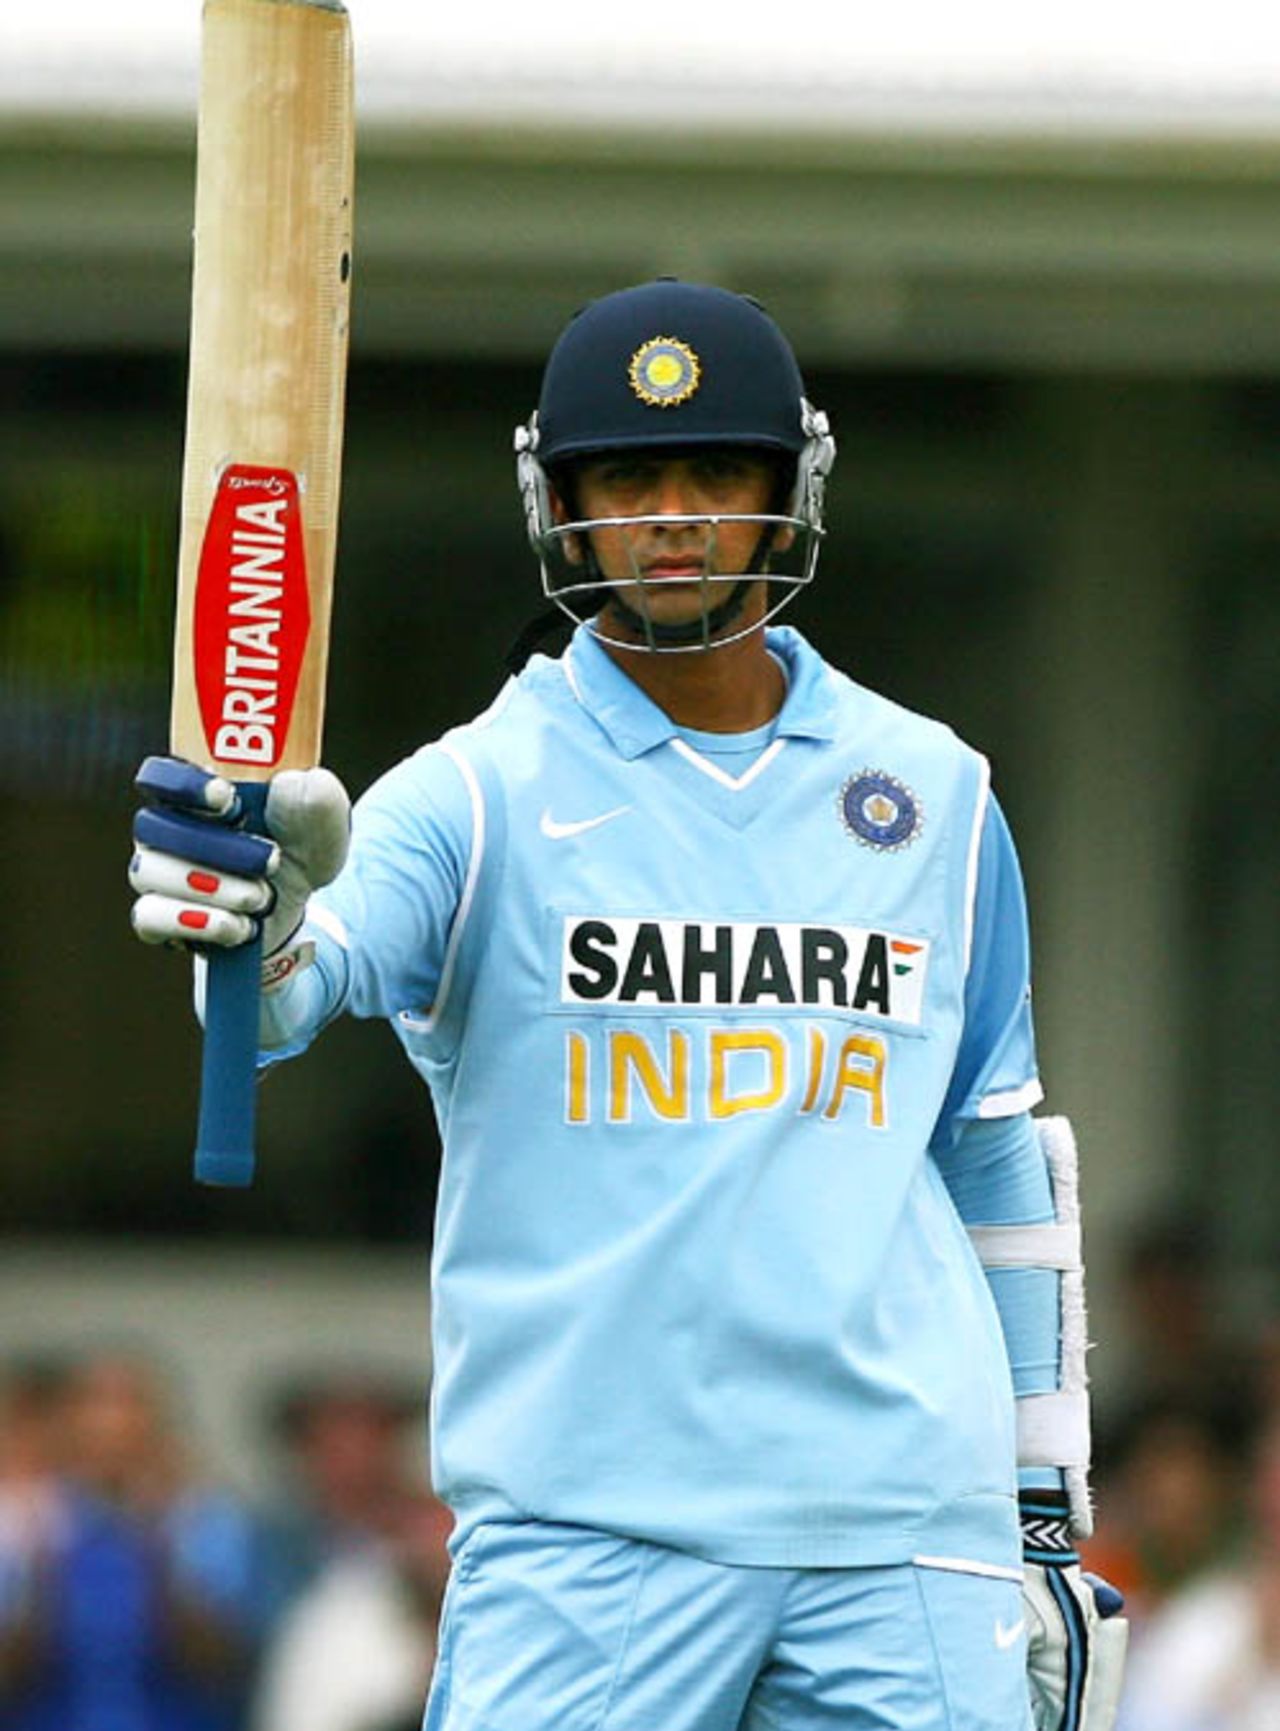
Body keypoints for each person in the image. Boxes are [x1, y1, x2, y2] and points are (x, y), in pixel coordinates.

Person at [129, 280, 1126, 1730]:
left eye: (716, 472)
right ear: (560, 499)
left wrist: (1041, 1509)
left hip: (905, 1528)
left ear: (790, 491)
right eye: (629, 478)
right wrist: (252, 921)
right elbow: (299, 987)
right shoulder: (476, 789)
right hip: (590, 1535)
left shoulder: (933, 795)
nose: (671, 515)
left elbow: (995, 1155)